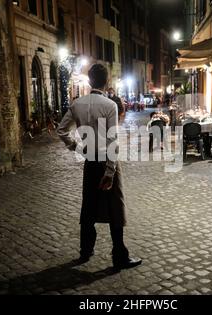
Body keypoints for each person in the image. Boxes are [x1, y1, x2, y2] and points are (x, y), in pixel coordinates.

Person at [57, 64, 142, 270]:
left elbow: (61, 130)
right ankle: (119, 256)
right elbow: (112, 140)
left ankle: (85, 251)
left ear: (89, 80)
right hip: (106, 160)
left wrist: (76, 147)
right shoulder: (109, 105)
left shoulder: (77, 104)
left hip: (90, 161)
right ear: (106, 82)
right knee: (115, 208)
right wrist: (111, 171)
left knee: (89, 206)